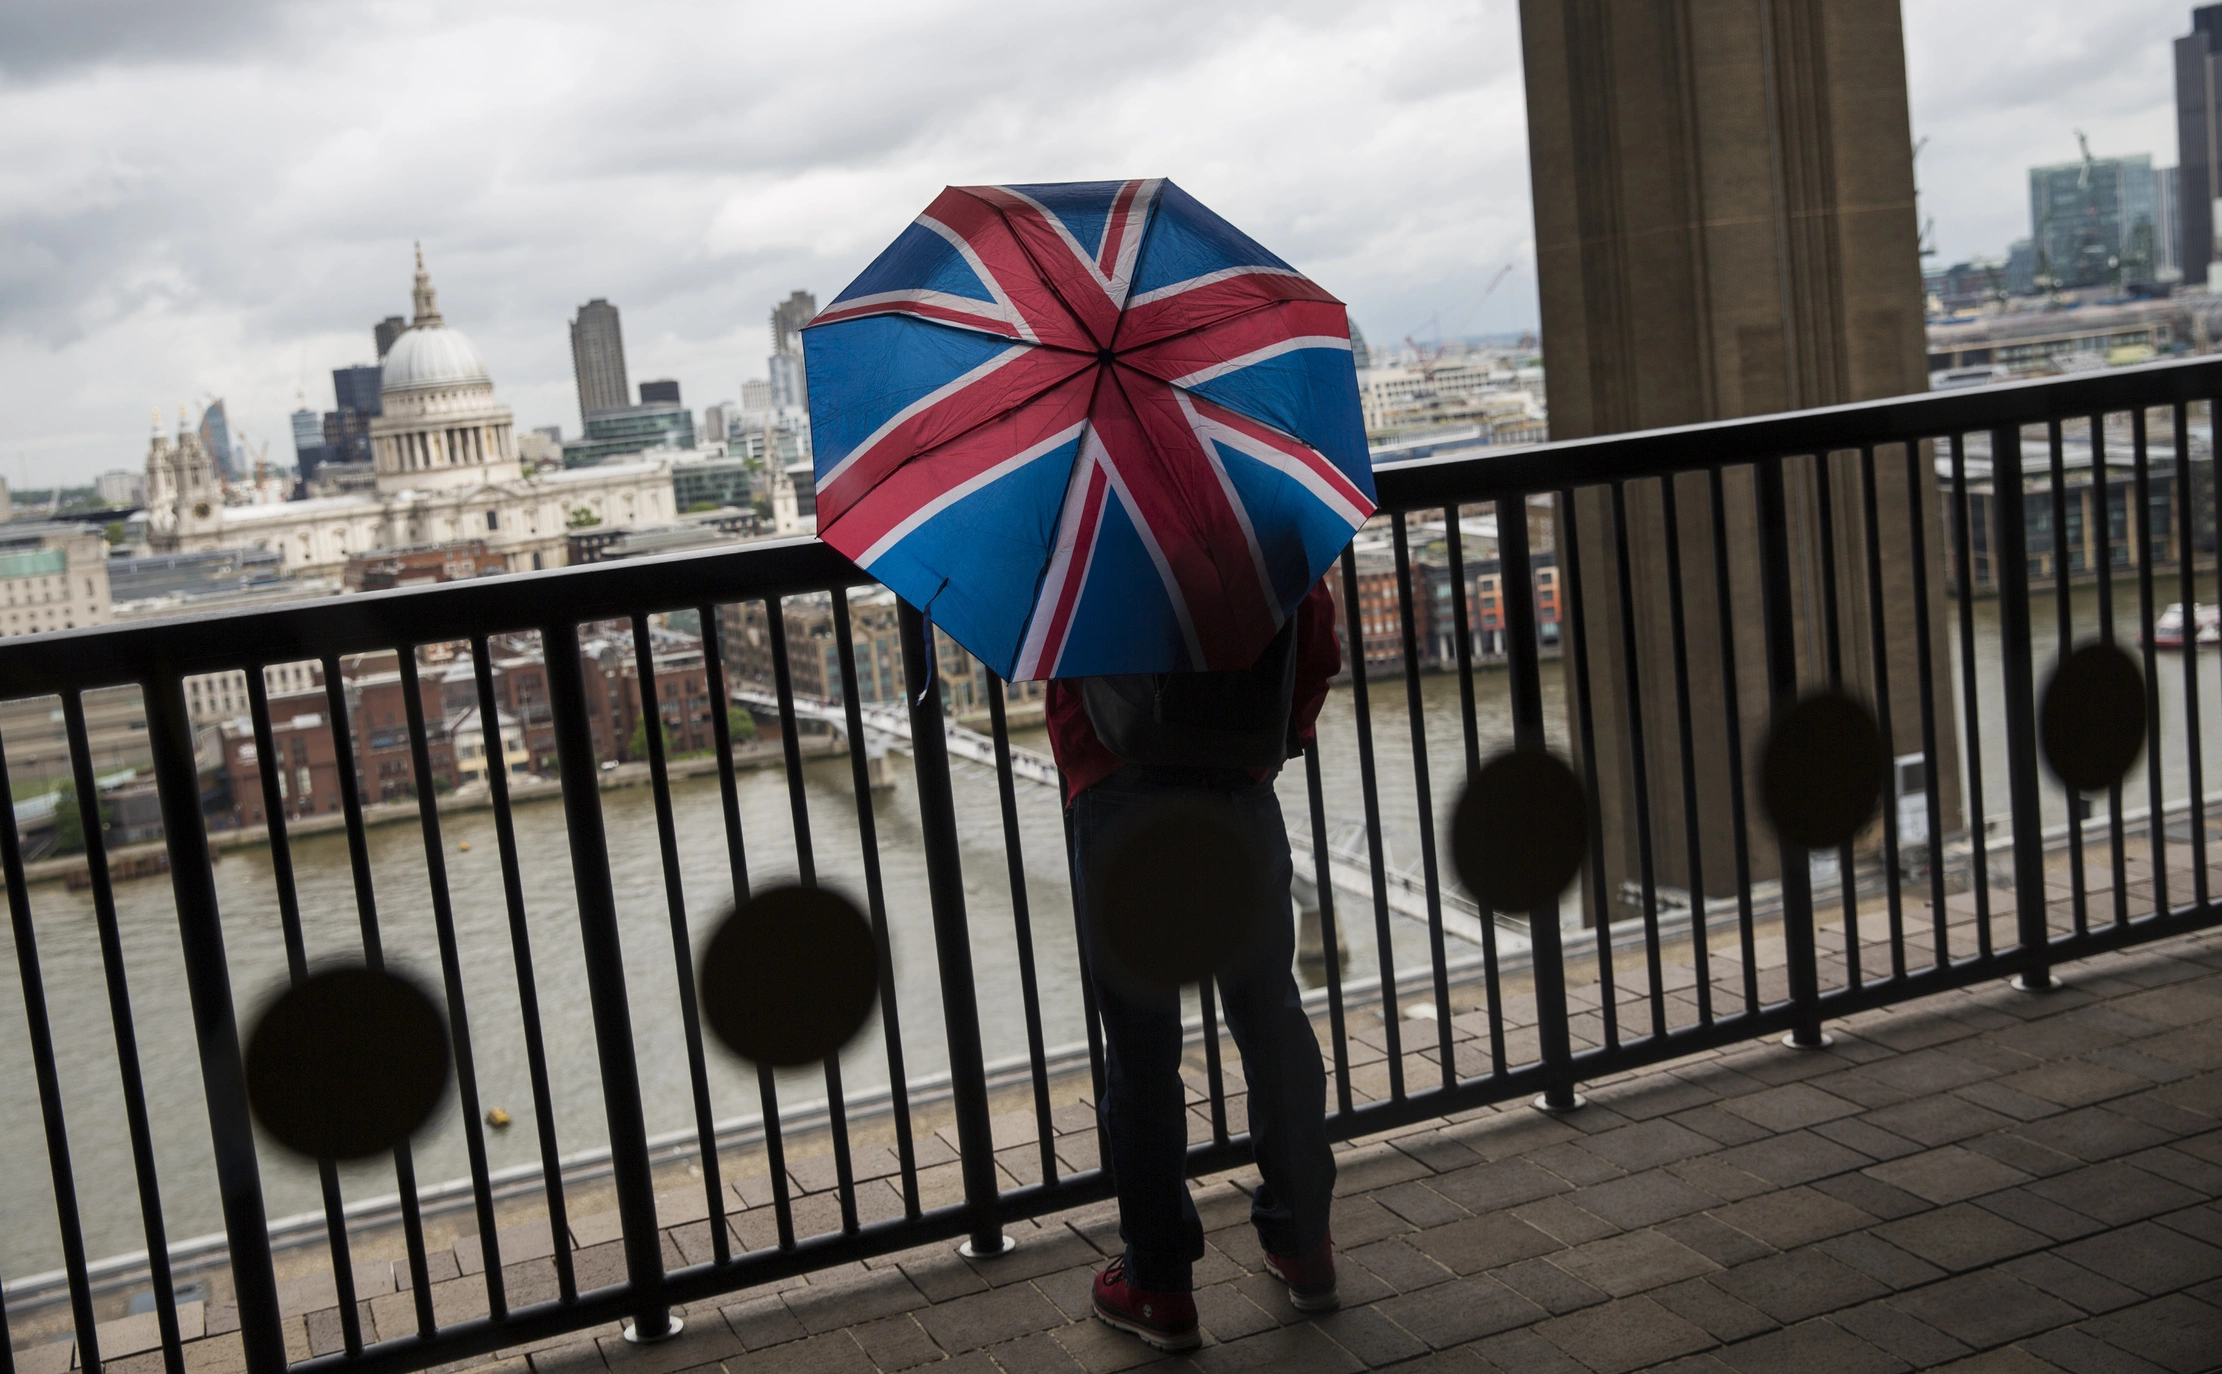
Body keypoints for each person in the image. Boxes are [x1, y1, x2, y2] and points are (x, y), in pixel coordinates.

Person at [1046, 578, 1344, 1352]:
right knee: (1270, 1016)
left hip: (1120, 795)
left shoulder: (1083, 521)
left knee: (1141, 1049)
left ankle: (1159, 1284)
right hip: (1237, 790)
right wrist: (1271, 748)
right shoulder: (1255, 503)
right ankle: (1304, 1244)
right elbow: (1315, 642)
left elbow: (1045, 649)